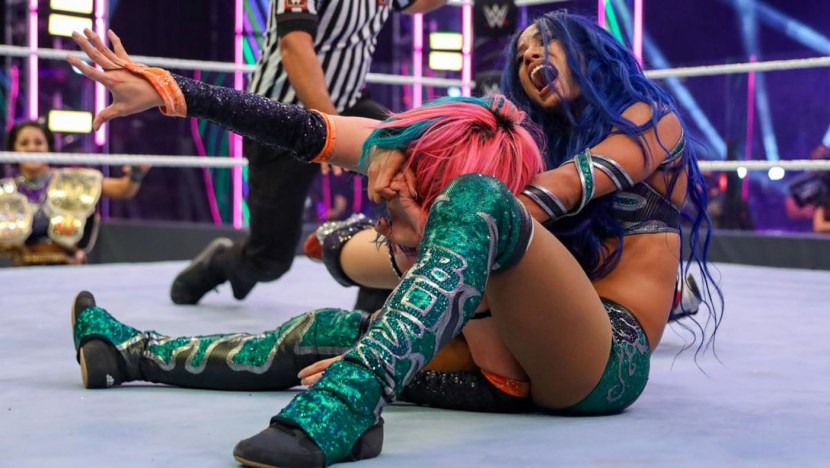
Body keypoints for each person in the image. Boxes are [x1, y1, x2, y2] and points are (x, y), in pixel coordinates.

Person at [67, 8, 721, 466]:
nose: (529, 59)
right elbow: (315, 130)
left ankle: (354, 399)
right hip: (510, 348)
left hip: (604, 358)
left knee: (475, 198)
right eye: (521, 55)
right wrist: (173, 92)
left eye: (544, 45)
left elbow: (562, 193)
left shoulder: (650, 121)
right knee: (324, 330)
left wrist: (432, 213)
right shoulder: (522, 141)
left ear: (589, 52)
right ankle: (128, 353)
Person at [168, 0, 447, 310]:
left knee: (409, 161)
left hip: (348, 103)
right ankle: (218, 265)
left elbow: (418, 4)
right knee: (270, 259)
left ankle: (375, 301)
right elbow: (294, 45)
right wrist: (332, 131)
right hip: (278, 117)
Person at [0, 120, 148, 265]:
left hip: (68, 269)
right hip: (21, 271)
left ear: (49, 147)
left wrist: (135, 174)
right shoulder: (3, 191)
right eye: (24, 143)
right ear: (13, 149)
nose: (32, 148)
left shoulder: (75, 181)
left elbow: (122, 189)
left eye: (38, 143)